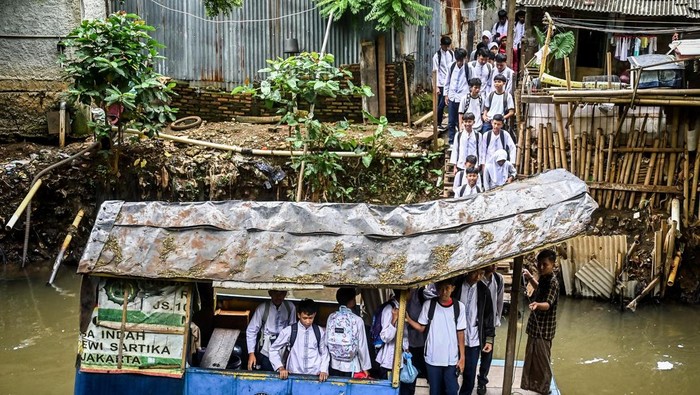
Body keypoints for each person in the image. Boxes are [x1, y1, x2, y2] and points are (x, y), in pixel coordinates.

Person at [405, 279, 466, 395]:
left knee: (452, 390)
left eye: (447, 288)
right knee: (435, 391)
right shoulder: (429, 305)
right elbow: (422, 327)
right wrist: (408, 319)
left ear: (453, 288)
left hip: (451, 359)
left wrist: (462, 357)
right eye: (441, 288)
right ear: (437, 288)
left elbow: (461, 333)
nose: (444, 292)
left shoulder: (459, 307)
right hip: (432, 358)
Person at [521, 249, 560, 395]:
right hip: (534, 328)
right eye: (539, 264)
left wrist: (537, 304)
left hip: (544, 330)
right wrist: (531, 278)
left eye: (545, 264)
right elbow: (539, 289)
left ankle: (544, 389)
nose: (541, 267)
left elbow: (548, 303)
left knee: (543, 361)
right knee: (531, 357)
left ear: (553, 264)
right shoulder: (544, 278)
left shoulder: (554, 283)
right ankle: (531, 386)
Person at [452, 269, 495, 395]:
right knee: (450, 374)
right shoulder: (456, 285)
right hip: (453, 339)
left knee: (469, 376)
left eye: (481, 274)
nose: (478, 277)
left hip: (473, 339)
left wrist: (489, 339)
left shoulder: (484, 291)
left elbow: (488, 317)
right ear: (468, 271)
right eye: (475, 273)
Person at [269, 298, 328, 381]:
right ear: (299, 315)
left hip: (315, 375)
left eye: (310, 318)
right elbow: (273, 350)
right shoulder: (289, 331)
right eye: (305, 318)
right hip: (294, 374)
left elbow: (324, 353)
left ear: (315, 314)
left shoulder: (319, 331)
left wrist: (324, 370)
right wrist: (280, 367)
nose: (307, 321)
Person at [322, 287, 372, 377]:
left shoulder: (332, 316)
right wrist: (365, 367)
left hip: (334, 364)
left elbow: (326, 342)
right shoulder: (357, 320)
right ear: (352, 301)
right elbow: (362, 346)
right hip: (352, 366)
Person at [246, 290, 296, 371]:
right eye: (276, 293)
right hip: (266, 348)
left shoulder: (290, 307)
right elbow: (251, 330)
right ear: (270, 293)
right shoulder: (263, 308)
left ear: (285, 294)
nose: (278, 296)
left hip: (284, 348)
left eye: (281, 294)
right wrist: (251, 354)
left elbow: (293, 329)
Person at [375, 291, 412, 395]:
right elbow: (385, 337)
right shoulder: (389, 309)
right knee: (389, 391)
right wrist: (394, 320)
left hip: (400, 359)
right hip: (388, 360)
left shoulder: (401, 306)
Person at [476, 265, 504, 394]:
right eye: (491, 263)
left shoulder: (498, 279)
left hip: (489, 322)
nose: (494, 266)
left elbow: (499, 300)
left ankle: (482, 381)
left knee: (487, 354)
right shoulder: (476, 278)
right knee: (472, 351)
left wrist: (496, 319)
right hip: (475, 322)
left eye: (496, 263)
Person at [444, 48, 471, 144]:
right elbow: (447, 81)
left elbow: (472, 82)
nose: (459, 62)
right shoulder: (451, 67)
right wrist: (446, 95)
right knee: (451, 121)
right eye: (458, 60)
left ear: (465, 58)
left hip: (463, 98)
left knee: (462, 120)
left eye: (461, 60)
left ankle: (462, 139)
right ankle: (451, 141)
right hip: (452, 97)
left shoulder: (468, 68)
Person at [432, 36, 455, 130]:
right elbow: (435, 71)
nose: (446, 48)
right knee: (441, 104)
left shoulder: (451, 53)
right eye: (445, 46)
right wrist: (436, 86)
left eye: (447, 46)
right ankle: (438, 123)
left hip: (450, 82)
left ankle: (452, 122)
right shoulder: (437, 56)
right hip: (441, 83)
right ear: (441, 45)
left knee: (451, 103)